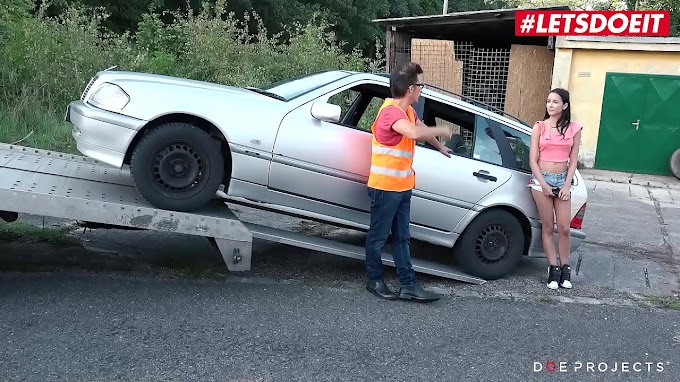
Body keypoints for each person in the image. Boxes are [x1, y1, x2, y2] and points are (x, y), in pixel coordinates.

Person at [364, 62, 453, 303]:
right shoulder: (390, 112)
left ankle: (408, 285)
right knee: (378, 237)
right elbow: (413, 133)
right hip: (384, 188)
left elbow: (420, 128)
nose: (423, 90)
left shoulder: (408, 112)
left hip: (402, 187)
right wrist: (443, 129)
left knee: (402, 238)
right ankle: (374, 280)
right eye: (421, 85)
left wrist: (439, 146)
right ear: (412, 88)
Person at [528, 88, 582, 290]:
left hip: (563, 180)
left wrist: (567, 185)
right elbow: (532, 160)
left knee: (565, 228)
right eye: (548, 101)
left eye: (555, 102)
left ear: (565, 106)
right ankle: (553, 269)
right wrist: (542, 184)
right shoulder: (539, 127)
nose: (550, 105)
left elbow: (574, 160)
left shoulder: (574, 129)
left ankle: (565, 267)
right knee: (548, 227)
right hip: (541, 180)